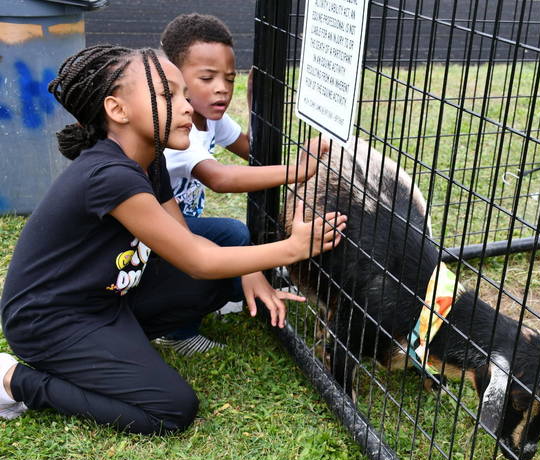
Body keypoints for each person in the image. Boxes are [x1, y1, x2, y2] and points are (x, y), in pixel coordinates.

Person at [0, 45, 346, 433]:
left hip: (106, 301)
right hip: (49, 321)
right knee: (171, 409)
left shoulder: (150, 160)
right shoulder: (109, 175)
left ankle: (113, 352)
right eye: (168, 95)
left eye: (183, 94)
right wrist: (293, 248)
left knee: (216, 275)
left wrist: (248, 270)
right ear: (117, 109)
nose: (186, 106)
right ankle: (14, 380)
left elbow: (184, 240)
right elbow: (197, 259)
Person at [155, 13, 327, 355]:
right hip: (153, 237)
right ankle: (175, 332)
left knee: (237, 260)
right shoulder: (174, 128)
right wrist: (298, 171)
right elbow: (220, 178)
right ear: (174, 78)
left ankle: (226, 294)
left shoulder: (209, 118)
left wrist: (254, 108)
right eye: (207, 78)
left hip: (178, 227)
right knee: (232, 234)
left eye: (230, 79)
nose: (222, 88)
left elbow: (251, 151)